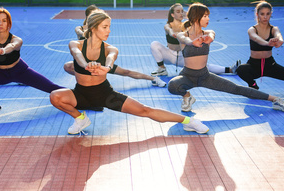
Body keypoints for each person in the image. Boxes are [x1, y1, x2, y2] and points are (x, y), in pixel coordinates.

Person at [50, 11, 209, 135]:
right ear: (93, 28)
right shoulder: (75, 44)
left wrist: (105, 68)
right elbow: (77, 56)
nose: (109, 31)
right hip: (80, 94)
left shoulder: (110, 48)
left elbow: (110, 59)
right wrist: (86, 65)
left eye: (109, 26)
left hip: (105, 95)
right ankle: (80, 119)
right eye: (105, 27)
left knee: (146, 110)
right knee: (55, 96)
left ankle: (189, 121)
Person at [167, 2, 284, 113]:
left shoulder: (208, 33)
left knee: (236, 89)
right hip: (187, 75)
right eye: (205, 16)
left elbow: (212, 35)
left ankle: (275, 99)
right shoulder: (183, 35)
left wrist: (209, 38)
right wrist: (192, 42)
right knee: (172, 85)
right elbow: (185, 39)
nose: (208, 19)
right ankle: (187, 96)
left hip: (205, 76)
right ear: (196, 17)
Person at [0, 7, 63, 112]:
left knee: (52, 87)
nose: (0, 24)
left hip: (20, 71)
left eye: (4, 21)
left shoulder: (16, 39)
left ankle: (77, 96)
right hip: (1, 74)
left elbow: (12, 46)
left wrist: (2, 51)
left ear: (9, 23)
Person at [65, 7, 166, 87]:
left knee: (126, 72)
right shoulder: (80, 29)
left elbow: (110, 55)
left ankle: (154, 79)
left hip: (100, 60)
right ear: (89, 17)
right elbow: (79, 34)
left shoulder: (102, 31)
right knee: (68, 66)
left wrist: (105, 67)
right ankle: (90, 80)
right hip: (85, 62)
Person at [150, 3, 239, 77]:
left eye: (182, 11)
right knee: (155, 44)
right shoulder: (168, 26)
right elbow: (170, 31)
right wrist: (175, 34)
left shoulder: (187, 26)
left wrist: (209, 36)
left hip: (183, 56)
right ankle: (162, 69)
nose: (181, 13)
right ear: (172, 15)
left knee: (203, 66)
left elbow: (205, 31)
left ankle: (230, 69)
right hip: (169, 55)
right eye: (178, 12)